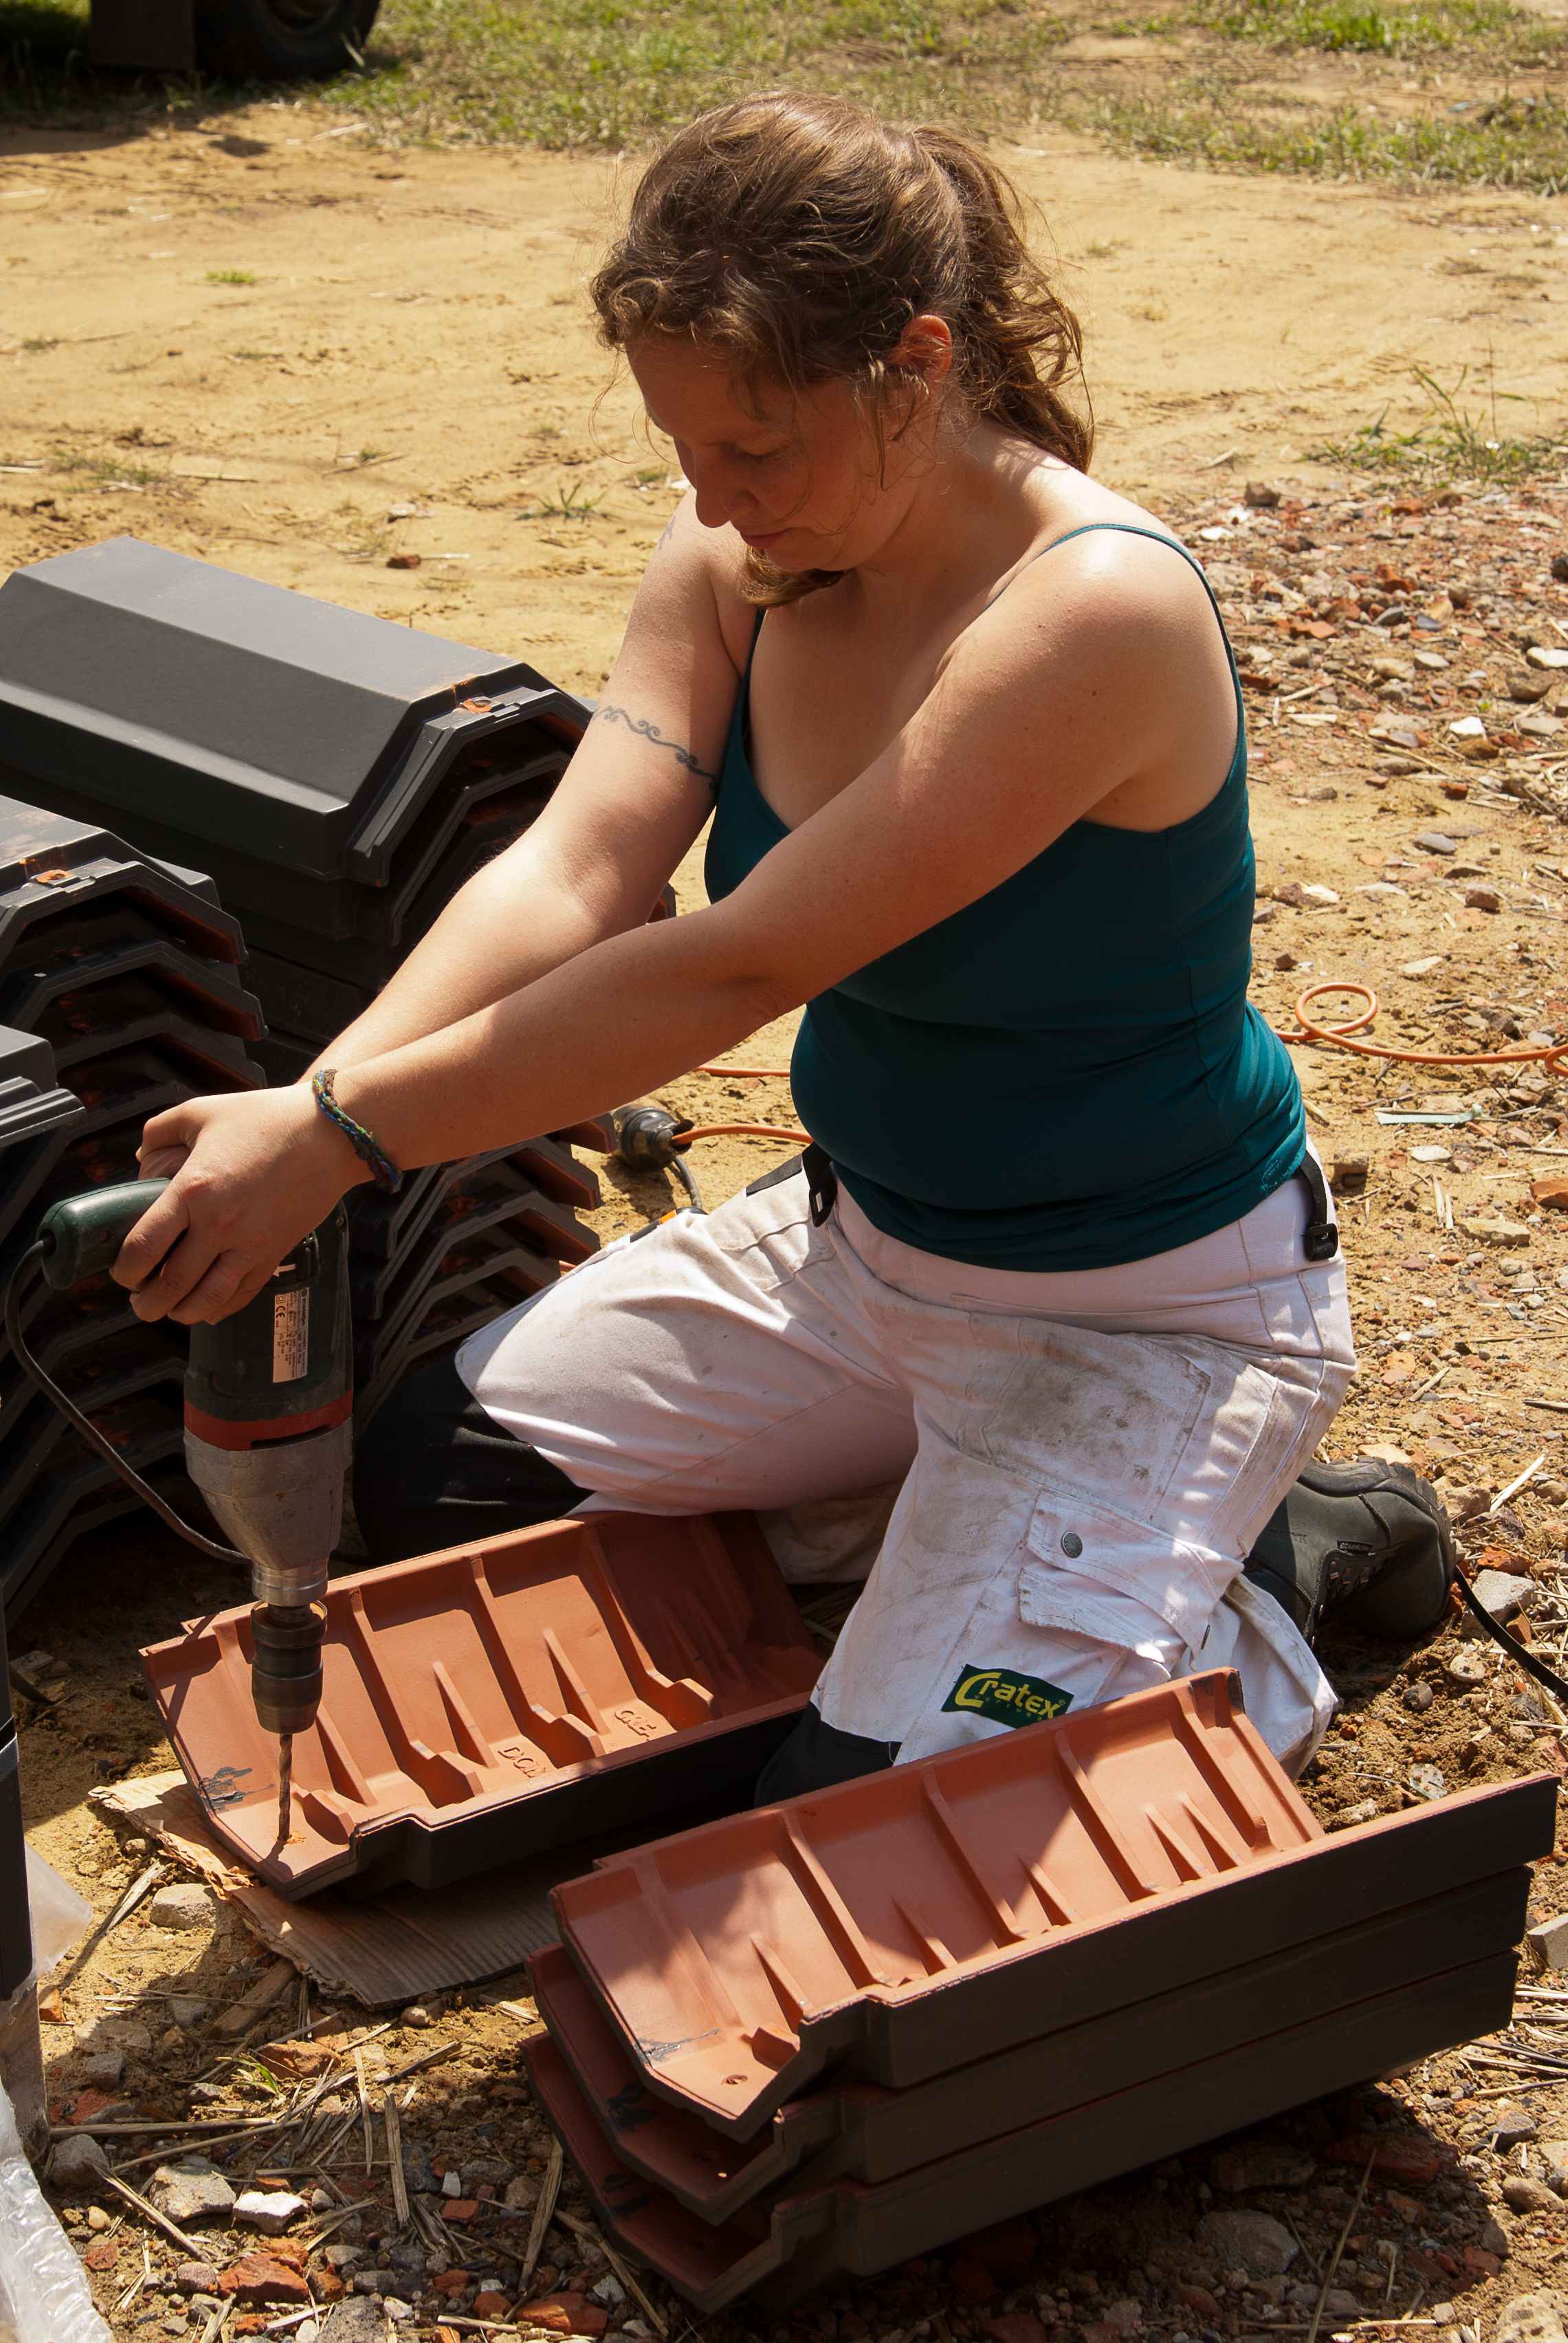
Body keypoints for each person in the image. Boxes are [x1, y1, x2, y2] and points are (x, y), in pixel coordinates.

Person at [114, 92, 1450, 1792]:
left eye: (756, 451)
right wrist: (319, 1100)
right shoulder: (748, 554)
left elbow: (737, 966)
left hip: (1132, 1309)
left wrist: (343, 1144)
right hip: (873, 1250)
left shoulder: (1091, 612)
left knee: (883, 1822)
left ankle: (1264, 1564)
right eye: (683, 453)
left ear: (913, 361)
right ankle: (970, 1532)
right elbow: (584, 865)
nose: (716, 500)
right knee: (442, 1475)